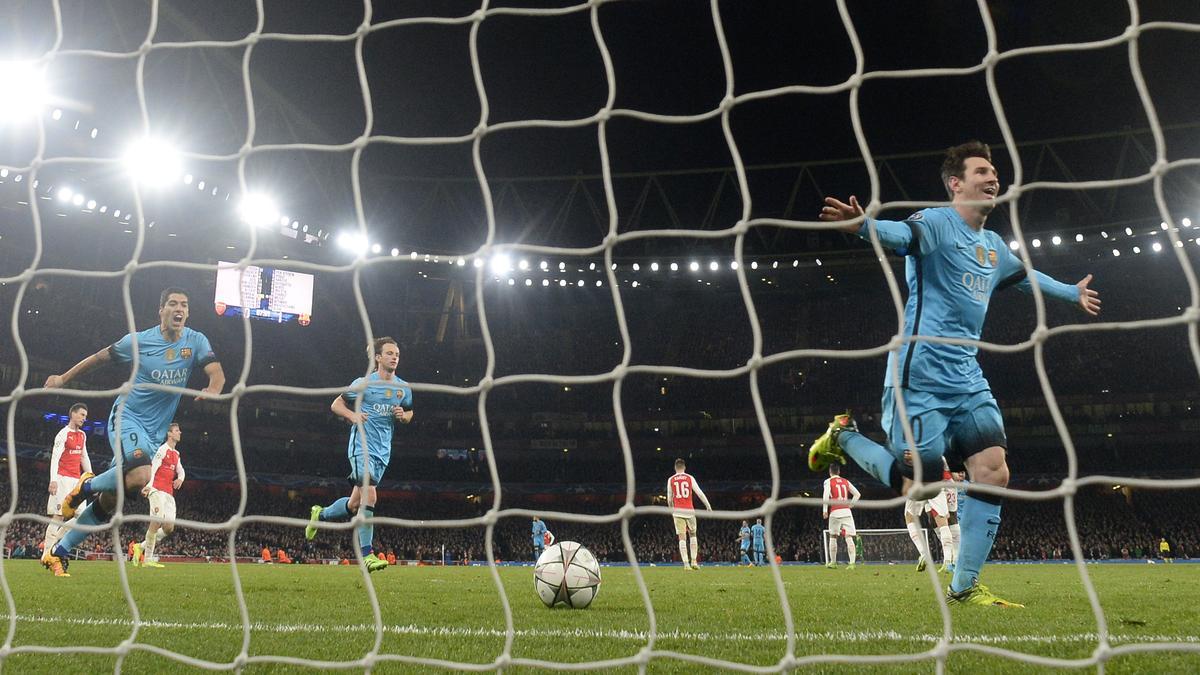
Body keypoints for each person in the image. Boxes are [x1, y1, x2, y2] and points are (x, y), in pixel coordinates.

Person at [809, 141, 1101, 607]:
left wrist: (1070, 293)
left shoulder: (992, 247)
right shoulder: (935, 222)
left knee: (993, 470)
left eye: (995, 171)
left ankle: (964, 585)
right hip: (918, 374)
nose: (993, 178)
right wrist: (861, 225)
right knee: (918, 484)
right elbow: (898, 236)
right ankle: (843, 437)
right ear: (955, 183)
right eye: (982, 171)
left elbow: (1025, 275)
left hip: (967, 377)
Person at [43, 287, 223, 578]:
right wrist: (64, 378)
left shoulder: (196, 340)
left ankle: (58, 552)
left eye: (185, 305)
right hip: (127, 417)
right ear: (161, 310)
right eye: (173, 304)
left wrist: (214, 389)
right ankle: (85, 486)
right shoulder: (139, 341)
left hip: (154, 432)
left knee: (112, 501)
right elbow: (99, 358)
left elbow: (216, 372)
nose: (180, 309)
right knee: (141, 475)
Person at [305, 337, 412, 573]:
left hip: (383, 452)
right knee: (370, 496)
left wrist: (402, 415)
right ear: (377, 357)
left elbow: (411, 412)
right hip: (361, 446)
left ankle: (320, 514)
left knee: (354, 505)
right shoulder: (363, 383)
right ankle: (368, 555)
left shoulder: (402, 387)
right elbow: (336, 404)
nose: (395, 357)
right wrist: (352, 416)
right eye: (390, 353)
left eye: (397, 354)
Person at [40, 403, 93, 573]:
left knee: (82, 517)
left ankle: (56, 545)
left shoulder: (83, 435)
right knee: (58, 517)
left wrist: (92, 477)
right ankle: (47, 555)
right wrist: (53, 480)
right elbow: (55, 458)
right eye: (82, 415)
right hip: (62, 479)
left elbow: (84, 456)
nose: (84, 418)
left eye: (85, 415)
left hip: (76, 482)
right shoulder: (62, 434)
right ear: (72, 414)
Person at [132, 422, 185, 569]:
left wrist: (180, 478)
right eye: (177, 430)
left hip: (168, 493)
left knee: (168, 528)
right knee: (156, 521)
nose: (179, 433)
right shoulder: (162, 450)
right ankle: (147, 559)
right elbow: (153, 467)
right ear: (169, 434)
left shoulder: (176, 454)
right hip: (156, 490)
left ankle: (139, 547)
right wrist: (148, 486)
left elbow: (181, 470)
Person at [668, 458, 712, 570]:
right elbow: (700, 493)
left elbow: (669, 498)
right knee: (693, 535)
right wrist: (708, 506)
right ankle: (694, 562)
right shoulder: (689, 477)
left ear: (675, 467)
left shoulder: (671, 479)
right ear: (684, 467)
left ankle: (686, 564)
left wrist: (671, 510)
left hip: (677, 512)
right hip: (690, 511)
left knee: (681, 537)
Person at [822, 464, 860, 569]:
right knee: (849, 537)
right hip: (846, 511)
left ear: (830, 472)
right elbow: (857, 494)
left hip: (835, 511)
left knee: (833, 536)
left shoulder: (828, 481)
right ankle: (852, 564)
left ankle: (833, 563)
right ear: (839, 472)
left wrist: (825, 510)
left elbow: (826, 495)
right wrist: (851, 505)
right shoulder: (846, 481)